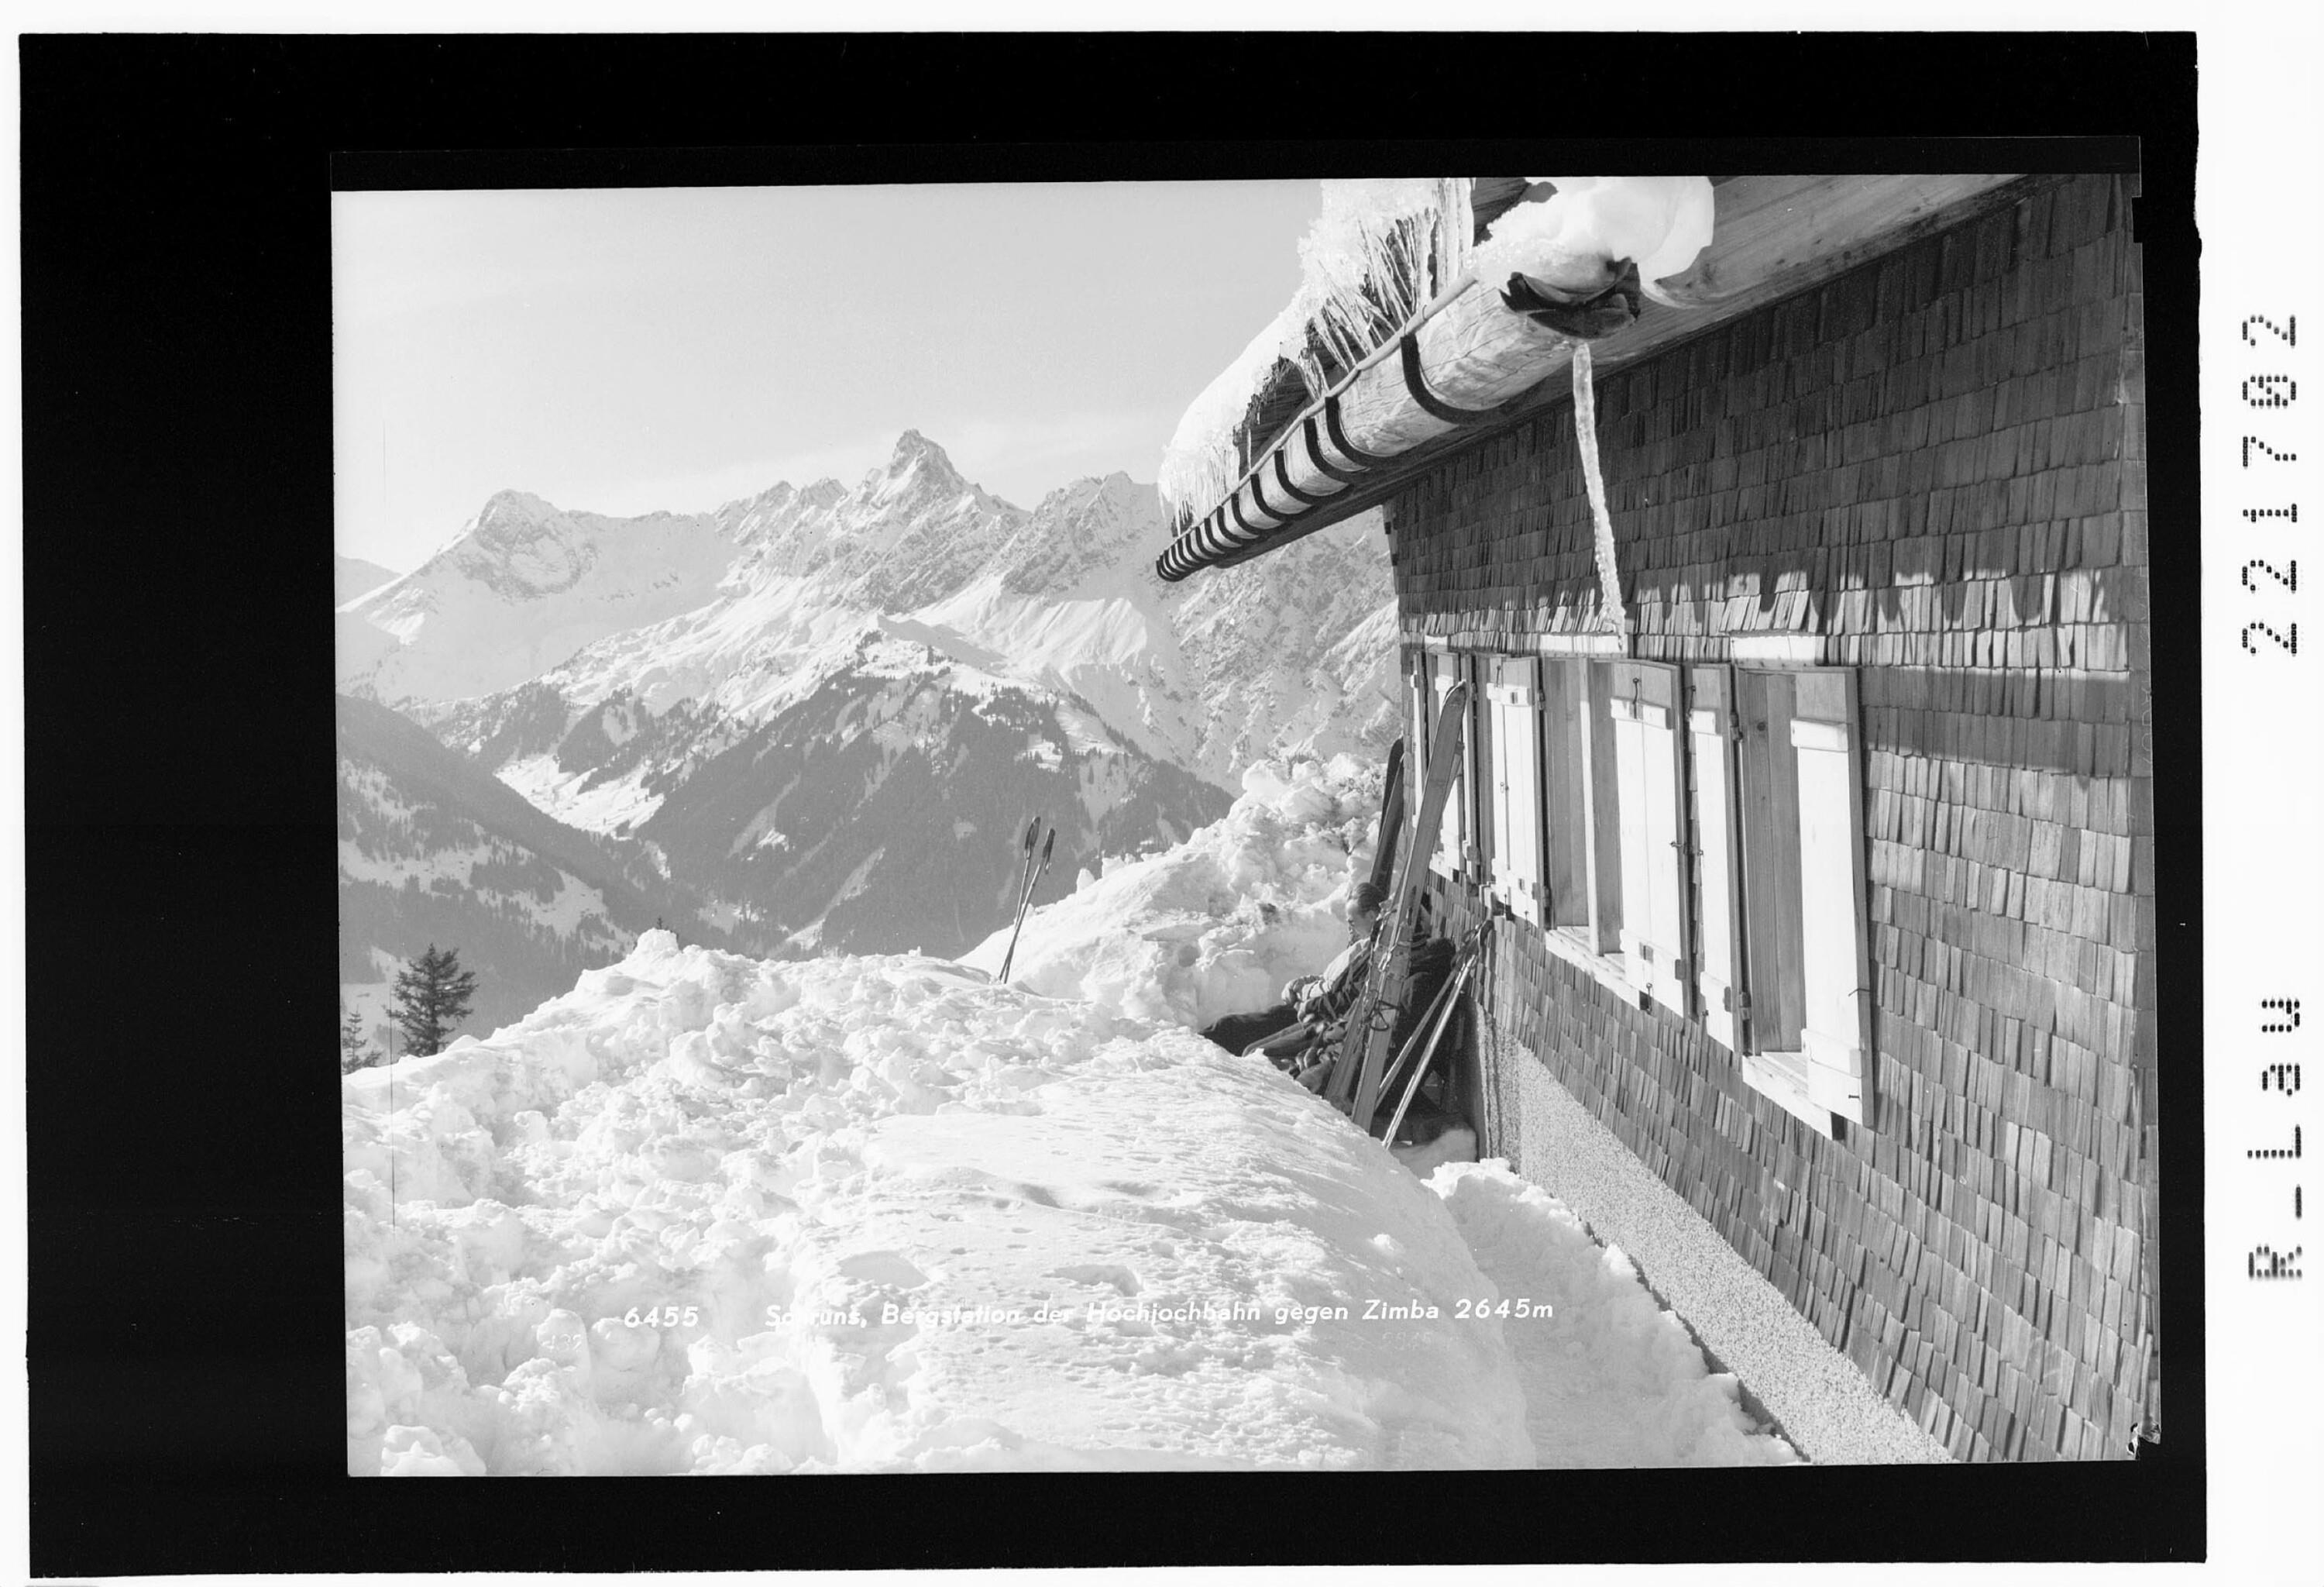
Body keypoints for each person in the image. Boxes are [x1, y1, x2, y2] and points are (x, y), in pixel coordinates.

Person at [1198, 882, 1386, 1065]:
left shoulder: (1372, 955)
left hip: (1315, 1014)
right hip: (1309, 1006)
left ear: (1370, 916)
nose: (1349, 927)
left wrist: (1306, 996)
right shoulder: (1360, 947)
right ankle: (1194, 1055)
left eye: (1352, 921)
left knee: (1242, 1038)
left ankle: (1200, 1062)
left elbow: (1340, 994)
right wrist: (1302, 985)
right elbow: (1331, 979)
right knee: (1229, 1027)